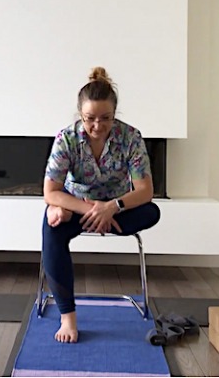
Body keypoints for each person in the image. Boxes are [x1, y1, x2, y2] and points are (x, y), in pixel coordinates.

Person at [41, 66, 161, 343]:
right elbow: (50, 190)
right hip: (77, 208)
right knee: (53, 227)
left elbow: (144, 191)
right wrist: (93, 209)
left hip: (117, 208)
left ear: (115, 114)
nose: (97, 126)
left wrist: (111, 207)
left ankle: (66, 211)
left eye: (105, 118)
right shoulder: (66, 139)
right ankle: (67, 316)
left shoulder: (131, 138)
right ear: (80, 115)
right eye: (89, 119)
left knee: (152, 212)